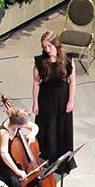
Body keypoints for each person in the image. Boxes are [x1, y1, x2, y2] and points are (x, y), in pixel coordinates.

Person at [32, 30, 75, 166]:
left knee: (61, 128)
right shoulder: (40, 61)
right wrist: (35, 103)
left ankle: (61, 160)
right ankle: (45, 159)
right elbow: (36, 82)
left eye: (50, 46)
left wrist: (71, 100)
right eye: (44, 47)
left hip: (62, 98)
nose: (47, 50)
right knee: (46, 128)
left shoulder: (67, 59)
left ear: (56, 45)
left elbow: (72, 81)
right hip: (46, 98)